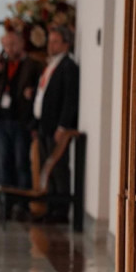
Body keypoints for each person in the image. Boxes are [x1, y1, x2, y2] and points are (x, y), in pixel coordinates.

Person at [0, 30, 43, 220]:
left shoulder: (33, 64)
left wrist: (32, 92)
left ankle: (22, 207)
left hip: (22, 122)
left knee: (21, 164)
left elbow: (41, 92)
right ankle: (5, 207)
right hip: (2, 122)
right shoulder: (3, 65)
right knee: (4, 165)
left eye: (12, 45)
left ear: (21, 44)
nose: (9, 49)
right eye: (6, 45)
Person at [30, 25, 79, 224]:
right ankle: (49, 207)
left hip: (56, 128)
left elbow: (70, 98)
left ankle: (61, 210)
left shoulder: (68, 66)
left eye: (56, 41)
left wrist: (62, 126)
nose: (51, 45)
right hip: (44, 125)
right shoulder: (50, 65)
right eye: (50, 41)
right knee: (45, 168)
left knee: (58, 168)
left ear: (66, 44)